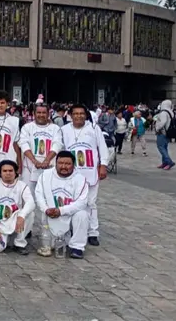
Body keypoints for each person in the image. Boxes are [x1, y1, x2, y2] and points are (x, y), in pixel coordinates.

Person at [60, 104, 108, 246]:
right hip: (71, 173)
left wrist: (103, 165)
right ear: (70, 115)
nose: (79, 116)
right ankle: (73, 229)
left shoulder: (93, 128)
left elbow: (102, 147)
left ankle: (92, 232)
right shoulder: (64, 130)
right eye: (75, 113)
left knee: (90, 203)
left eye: (81, 113)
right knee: (71, 202)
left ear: (86, 115)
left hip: (90, 172)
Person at [34, 150, 90, 259]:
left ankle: (77, 247)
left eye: (67, 164)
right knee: (50, 246)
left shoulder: (80, 179)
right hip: (50, 215)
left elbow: (81, 202)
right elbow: (39, 195)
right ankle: (60, 239)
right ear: (56, 163)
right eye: (60, 163)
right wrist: (46, 209)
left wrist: (61, 211)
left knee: (82, 214)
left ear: (73, 165)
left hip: (69, 215)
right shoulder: (45, 176)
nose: (63, 166)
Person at [0, 160, 34, 255]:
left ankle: (19, 243)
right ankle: (5, 238)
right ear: (0, 173)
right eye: (5, 171)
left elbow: (31, 203)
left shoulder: (22, 185)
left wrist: (21, 216)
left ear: (15, 172)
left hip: (15, 220)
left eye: (11, 170)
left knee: (30, 214)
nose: (8, 173)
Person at [18, 104, 62, 199]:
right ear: (34, 114)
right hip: (29, 168)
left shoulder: (55, 128)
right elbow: (24, 144)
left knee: (48, 197)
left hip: (49, 167)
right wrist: (34, 161)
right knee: (28, 197)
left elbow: (57, 145)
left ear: (48, 114)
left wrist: (47, 160)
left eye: (44, 113)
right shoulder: (27, 127)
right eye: (38, 112)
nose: (41, 115)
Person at [154, 100, 176, 170]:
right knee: (164, 147)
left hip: (162, 132)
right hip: (168, 132)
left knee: (160, 147)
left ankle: (169, 162)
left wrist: (157, 128)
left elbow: (163, 122)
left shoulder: (163, 112)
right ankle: (164, 163)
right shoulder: (170, 112)